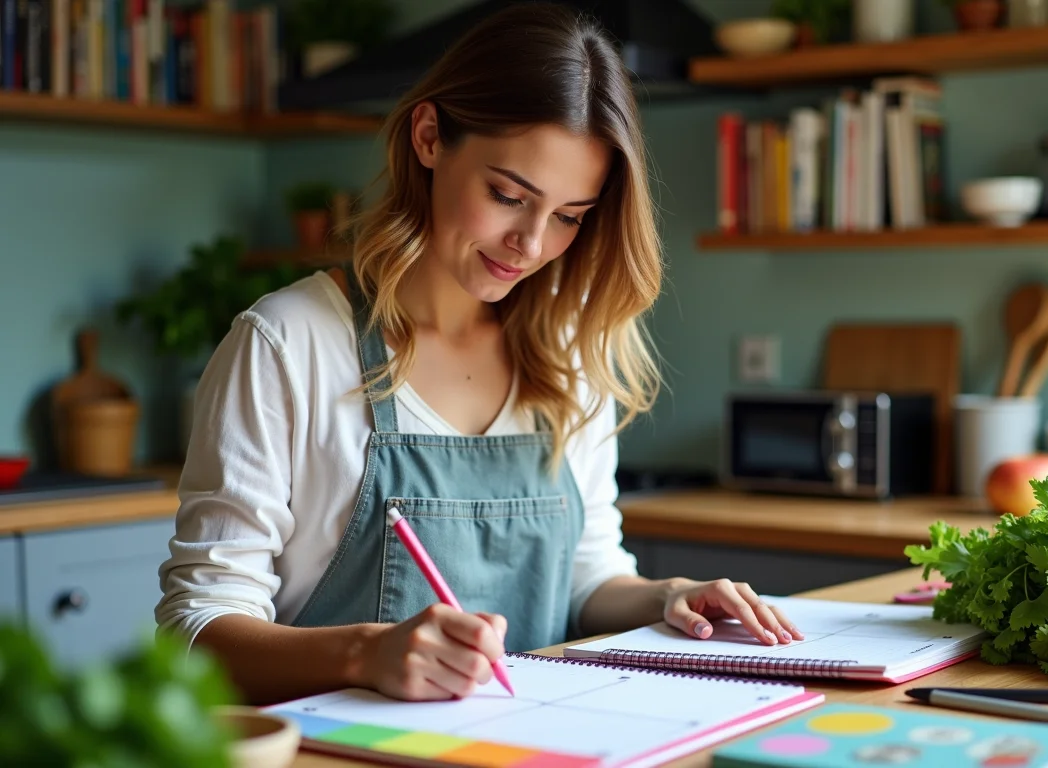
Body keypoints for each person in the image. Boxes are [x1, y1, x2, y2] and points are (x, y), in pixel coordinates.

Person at [155, 2, 801, 707]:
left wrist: (668, 596)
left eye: (568, 218)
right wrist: (369, 652)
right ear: (430, 137)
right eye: (507, 195)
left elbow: (585, 581)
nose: (530, 243)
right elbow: (197, 632)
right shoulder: (288, 345)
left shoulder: (567, 352)